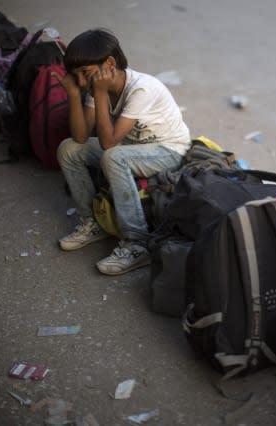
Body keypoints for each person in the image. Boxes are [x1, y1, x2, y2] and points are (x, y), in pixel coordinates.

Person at [53, 28, 190, 275]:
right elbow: (82, 137)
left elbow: (107, 143)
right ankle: (92, 223)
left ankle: (137, 243)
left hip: (169, 150)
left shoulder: (141, 89)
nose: (83, 82)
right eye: (76, 77)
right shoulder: (96, 87)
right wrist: (74, 95)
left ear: (109, 64)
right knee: (69, 149)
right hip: (133, 147)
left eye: (85, 74)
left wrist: (100, 93)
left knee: (113, 156)